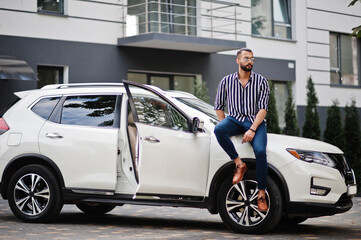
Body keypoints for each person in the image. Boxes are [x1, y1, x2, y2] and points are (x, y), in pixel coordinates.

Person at [214, 48, 270, 212]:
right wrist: (226, 126)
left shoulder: (261, 81)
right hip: (234, 119)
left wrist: (252, 129)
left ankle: (261, 195)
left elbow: (263, 109)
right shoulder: (226, 81)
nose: (250, 62)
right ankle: (239, 164)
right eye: (246, 59)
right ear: (238, 61)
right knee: (219, 130)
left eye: (252, 59)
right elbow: (218, 107)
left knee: (260, 152)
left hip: (255, 122)